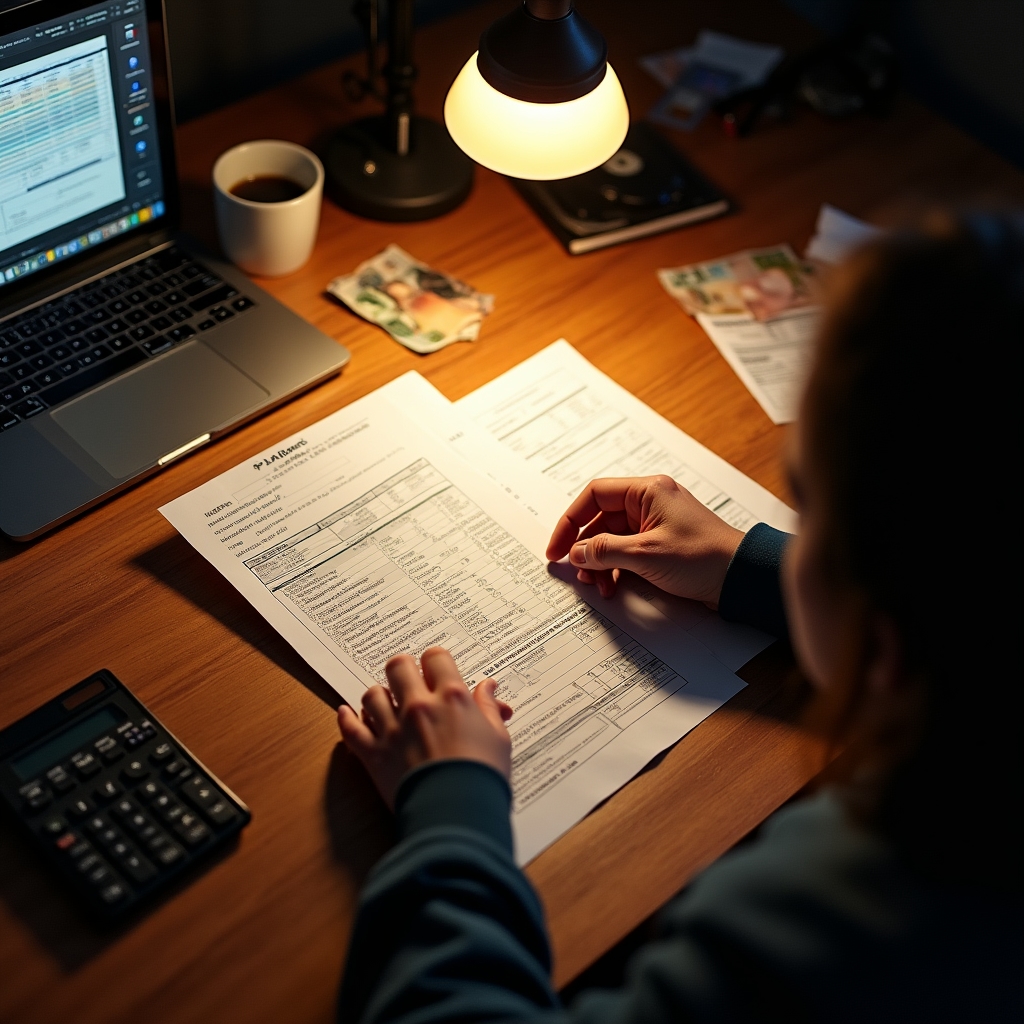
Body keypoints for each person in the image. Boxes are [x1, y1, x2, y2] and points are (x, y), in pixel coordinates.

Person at [334, 211, 1023, 1023]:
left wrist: (448, 803)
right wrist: (744, 565)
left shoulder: (844, 922)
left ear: (888, 647)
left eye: (809, 511)